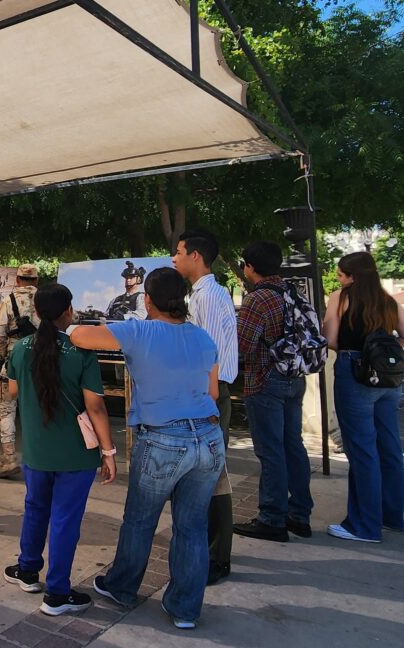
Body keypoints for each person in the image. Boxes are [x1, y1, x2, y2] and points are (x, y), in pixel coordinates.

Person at [71, 267, 223, 630]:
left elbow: (79, 335)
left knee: (140, 520)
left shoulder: (139, 330)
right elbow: (213, 392)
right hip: (209, 437)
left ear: (148, 300)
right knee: (192, 526)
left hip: (162, 439)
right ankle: (185, 609)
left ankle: (121, 587)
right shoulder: (202, 338)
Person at [2, 283, 117, 616]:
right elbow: (95, 408)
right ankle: (56, 593)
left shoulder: (21, 348)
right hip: (75, 455)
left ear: (37, 313)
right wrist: (108, 453)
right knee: (65, 520)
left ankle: (27, 570)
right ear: (69, 311)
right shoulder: (81, 351)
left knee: (35, 508)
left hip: (36, 452)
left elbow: (11, 392)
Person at [322, 252, 404, 542]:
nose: (338, 279)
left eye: (340, 274)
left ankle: (364, 525)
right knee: (389, 446)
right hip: (388, 377)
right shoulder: (387, 300)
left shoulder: (340, 298)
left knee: (362, 450)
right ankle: (391, 516)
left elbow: (330, 340)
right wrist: (380, 347)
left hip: (354, 372)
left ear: (352, 276)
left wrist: (360, 348)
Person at [232, 241, 313, 543]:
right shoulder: (292, 292)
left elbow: (243, 346)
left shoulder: (258, 299)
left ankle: (272, 518)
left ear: (250, 267)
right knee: (293, 445)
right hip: (294, 376)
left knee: (271, 451)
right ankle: (299, 514)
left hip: (265, 379)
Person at [172, 229, 238, 585]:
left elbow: (207, 356)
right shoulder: (200, 294)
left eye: (179, 252)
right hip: (201, 394)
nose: (174, 258)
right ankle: (208, 547)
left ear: (195, 256)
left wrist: (205, 403)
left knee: (213, 477)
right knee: (205, 474)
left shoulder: (209, 297)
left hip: (208, 394)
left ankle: (216, 555)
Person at [0, 263, 41, 479]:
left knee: (6, 412)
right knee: (39, 410)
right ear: (37, 281)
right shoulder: (46, 300)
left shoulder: (8, 302)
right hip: (43, 364)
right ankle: (39, 458)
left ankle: (10, 459)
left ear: (17, 280)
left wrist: (6, 354)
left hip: (13, 362)